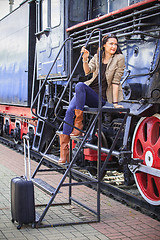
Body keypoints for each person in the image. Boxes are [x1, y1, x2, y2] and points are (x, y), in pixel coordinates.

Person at [58, 33, 125, 164]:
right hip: (88, 92)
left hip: (101, 98)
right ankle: (64, 151)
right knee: (69, 111)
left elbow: (116, 82)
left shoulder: (119, 58)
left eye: (115, 44)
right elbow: (88, 71)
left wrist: (116, 103)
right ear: (104, 45)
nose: (114, 46)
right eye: (111, 44)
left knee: (79, 86)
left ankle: (78, 123)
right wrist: (85, 59)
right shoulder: (97, 56)